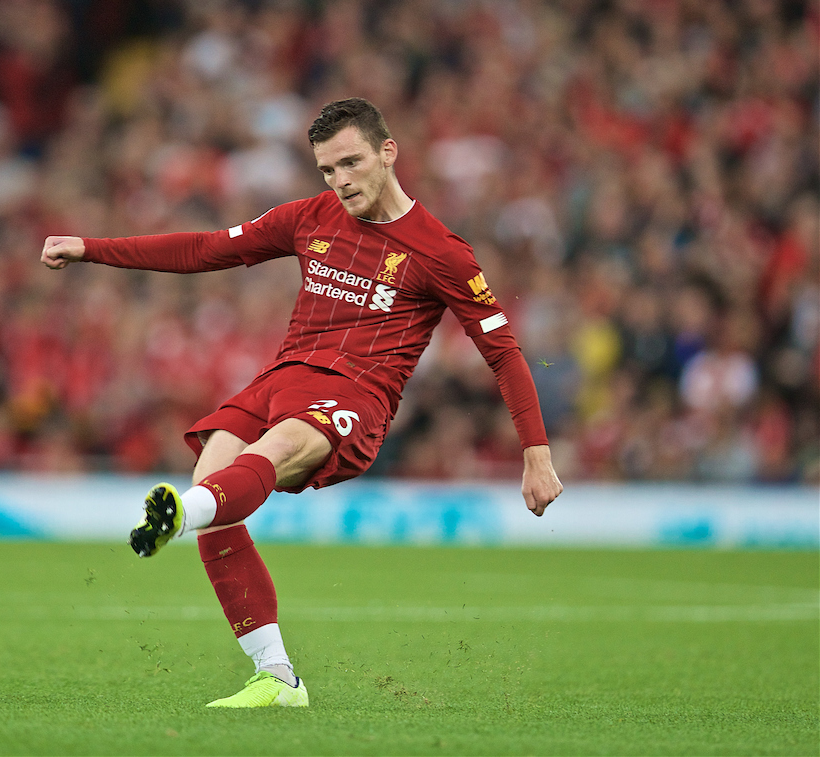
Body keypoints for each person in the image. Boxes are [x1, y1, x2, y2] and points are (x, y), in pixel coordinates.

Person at [41, 98, 563, 708]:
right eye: (326, 169)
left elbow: (502, 352)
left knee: (272, 452)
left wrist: (536, 452)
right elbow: (205, 250)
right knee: (216, 478)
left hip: (355, 395)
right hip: (282, 377)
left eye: (351, 163)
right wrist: (90, 247)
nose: (340, 181)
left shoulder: (441, 251)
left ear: (388, 153)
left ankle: (178, 516)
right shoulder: (309, 217)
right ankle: (278, 677)